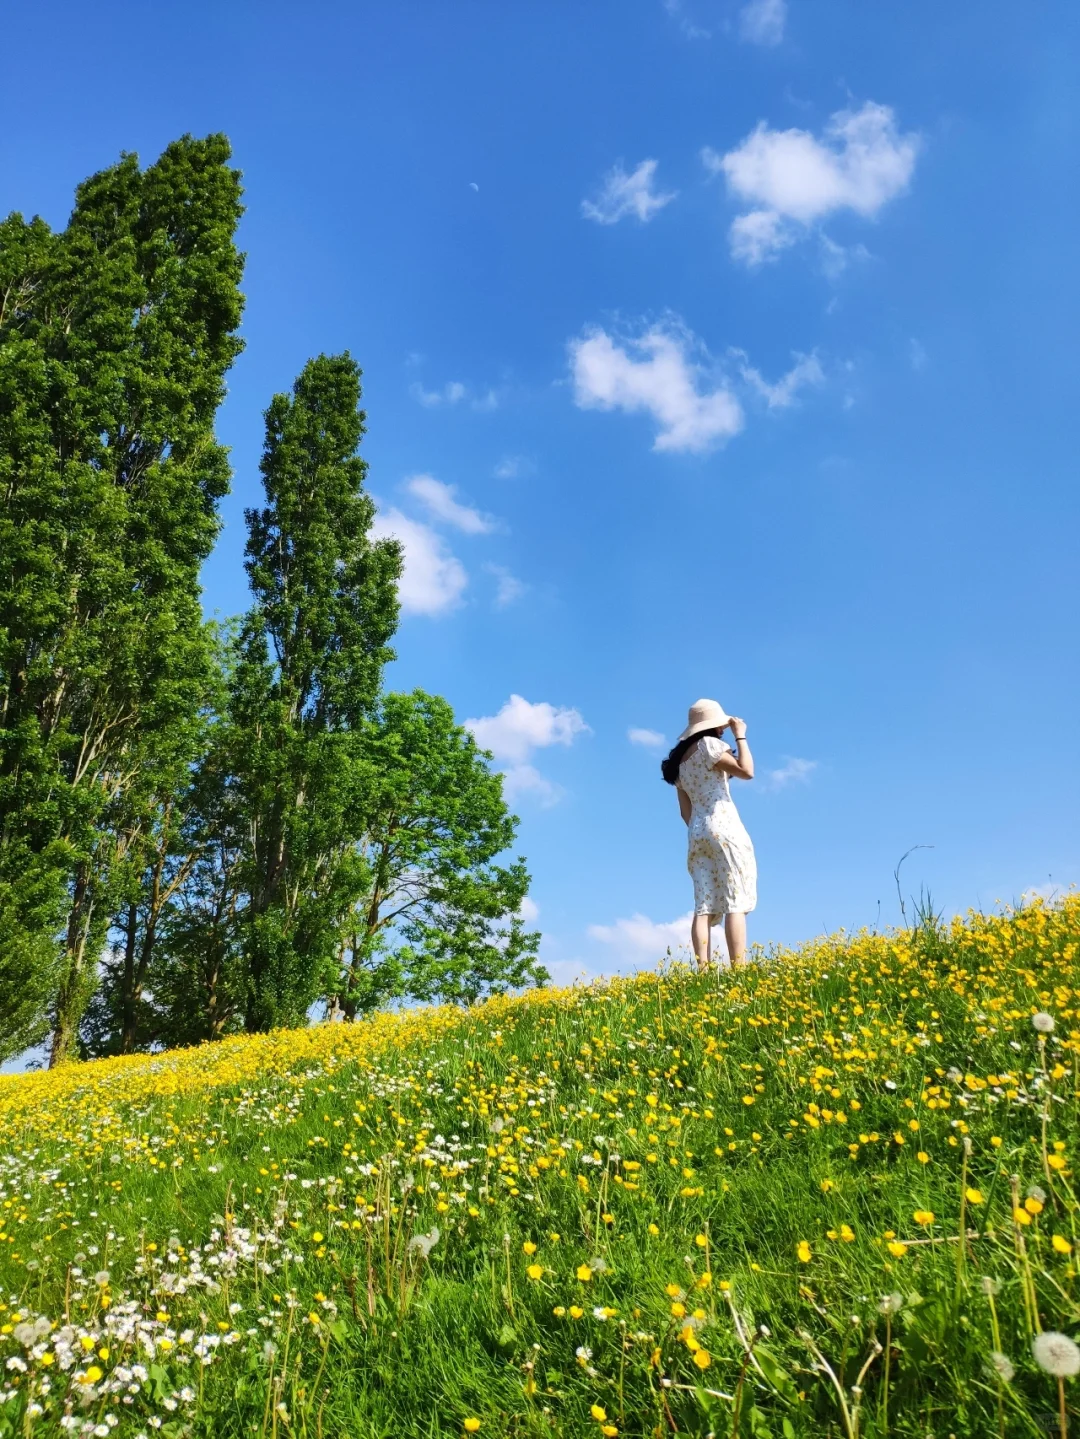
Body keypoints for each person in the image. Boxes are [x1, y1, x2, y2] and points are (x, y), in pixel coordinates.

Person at [661, 698, 757, 970]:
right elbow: (747, 771)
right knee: (735, 898)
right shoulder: (710, 746)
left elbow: (685, 813)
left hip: (697, 832)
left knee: (704, 904)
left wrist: (701, 829)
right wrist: (741, 735)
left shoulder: (680, 763)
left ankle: (703, 970)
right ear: (713, 725)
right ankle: (739, 969)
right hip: (724, 826)